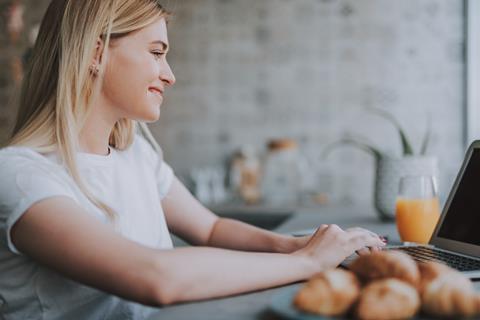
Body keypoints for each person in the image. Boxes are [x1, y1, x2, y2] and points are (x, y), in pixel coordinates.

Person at [0, 0, 385, 319]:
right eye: (156, 53)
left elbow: (212, 228)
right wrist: (307, 264)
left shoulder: (136, 155)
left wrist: (296, 246)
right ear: (96, 53)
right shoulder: (19, 176)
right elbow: (156, 277)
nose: (169, 75)